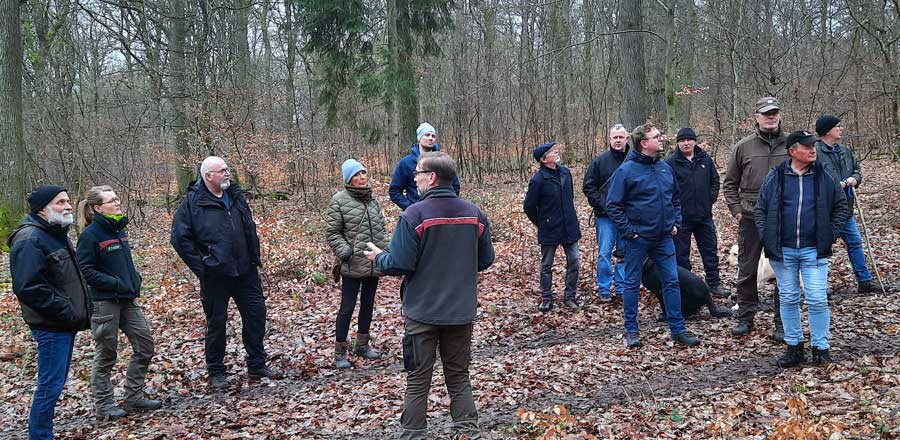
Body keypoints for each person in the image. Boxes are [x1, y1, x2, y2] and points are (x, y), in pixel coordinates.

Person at [365, 151, 495, 440]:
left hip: (422, 314)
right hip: (460, 312)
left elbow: (398, 263)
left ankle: (413, 435)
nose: (415, 180)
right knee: (459, 378)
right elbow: (486, 259)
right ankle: (469, 434)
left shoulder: (414, 215)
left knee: (418, 380)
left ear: (432, 177)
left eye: (418, 175)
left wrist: (379, 257)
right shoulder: (474, 214)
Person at [171, 156, 282, 389]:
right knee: (217, 323)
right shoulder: (193, 203)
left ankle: (257, 364)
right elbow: (180, 239)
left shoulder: (236, 196)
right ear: (208, 176)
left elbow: (248, 227)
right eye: (222, 171)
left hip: (245, 271)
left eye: (227, 169)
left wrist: (253, 256)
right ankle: (216, 371)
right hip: (215, 276)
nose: (227, 173)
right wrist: (203, 267)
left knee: (256, 314)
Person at [755, 130, 848, 367]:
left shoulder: (824, 175)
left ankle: (821, 348)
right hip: (783, 251)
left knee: (817, 299)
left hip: (813, 250)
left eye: (813, 146)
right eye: (806, 146)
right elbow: (761, 209)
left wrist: (830, 235)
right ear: (792, 151)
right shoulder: (776, 176)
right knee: (788, 298)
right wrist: (767, 236)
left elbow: (840, 206)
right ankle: (794, 347)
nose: (812, 150)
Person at [606, 124, 701, 348]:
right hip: (637, 240)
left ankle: (678, 329)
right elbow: (613, 205)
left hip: (664, 237)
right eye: (656, 137)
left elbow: (675, 199)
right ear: (643, 143)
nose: (661, 139)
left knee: (672, 282)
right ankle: (631, 330)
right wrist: (630, 232)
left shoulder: (664, 168)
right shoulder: (626, 171)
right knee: (631, 284)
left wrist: (675, 223)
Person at [7, 186, 91, 440]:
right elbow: (28, 287)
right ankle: (40, 436)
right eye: (60, 202)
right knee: (50, 386)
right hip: (51, 325)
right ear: (43, 208)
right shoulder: (30, 239)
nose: (67, 206)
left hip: (63, 323)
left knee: (54, 384)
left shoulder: (55, 233)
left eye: (68, 201)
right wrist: (65, 310)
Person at [75, 186, 161, 419]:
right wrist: (115, 283)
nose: (117, 203)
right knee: (106, 353)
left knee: (145, 346)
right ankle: (104, 406)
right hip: (104, 303)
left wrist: (134, 280)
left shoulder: (118, 229)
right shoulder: (90, 235)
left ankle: (134, 398)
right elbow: (86, 272)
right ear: (97, 208)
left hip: (127, 300)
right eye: (111, 200)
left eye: (117, 199)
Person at [723, 96, 790, 340]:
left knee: (784, 270)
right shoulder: (744, 146)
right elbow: (729, 183)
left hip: (783, 218)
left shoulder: (791, 145)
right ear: (757, 117)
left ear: (780, 115)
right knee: (748, 269)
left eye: (774, 112)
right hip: (750, 217)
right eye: (765, 113)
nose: (770, 117)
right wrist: (737, 210)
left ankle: (783, 321)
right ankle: (745, 316)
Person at [324, 159, 390, 369]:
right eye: (357, 174)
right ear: (348, 178)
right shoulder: (339, 200)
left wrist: (387, 252)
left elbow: (380, 230)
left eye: (363, 173)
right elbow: (332, 232)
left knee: (368, 305)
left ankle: (362, 345)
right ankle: (340, 353)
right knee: (347, 308)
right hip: (352, 264)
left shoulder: (372, 201)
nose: (362, 177)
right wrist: (345, 252)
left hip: (373, 263)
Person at [814, 115, 878, 293]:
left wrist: (854, 179)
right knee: (821, 248)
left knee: (855, 242)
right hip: (823, 211)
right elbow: (811, 179)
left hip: (845, 209)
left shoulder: (844, 151)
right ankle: (818, 287)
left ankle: (865, 281)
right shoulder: (814, 153)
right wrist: (834, 186)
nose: (841, 129)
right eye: (838, 126)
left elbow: (857, 170)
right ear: (827, 130)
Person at [666, 127, 729, 297]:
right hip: (681, 219)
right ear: (678, 143)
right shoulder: (671, 162)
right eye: (682, 140)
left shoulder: (705, 159)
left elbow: (715, 180)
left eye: (689, 140)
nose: (686, 143)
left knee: (710, 252)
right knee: (681, 256)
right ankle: (687, 288)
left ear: (695, 141)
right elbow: (666, 188)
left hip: (704, 216)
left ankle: (714, 284)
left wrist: (710, 199)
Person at [523, 142, 582, 312]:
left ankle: (570, 297)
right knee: (546, 265)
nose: (556, 153)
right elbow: (529, 207)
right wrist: (542, 223)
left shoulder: (566, 173)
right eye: (551, 152)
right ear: (543, 159)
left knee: (575, 261)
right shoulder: (538, 180)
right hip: (550, 230)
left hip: (569, 227)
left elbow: (570, 198)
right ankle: (546, 298)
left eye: (555, 151)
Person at [582, 124, 629, 302]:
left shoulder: (634, 160)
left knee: (625, 253)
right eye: (614, 137)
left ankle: (622, 288)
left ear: (627, 139)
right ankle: (604, 288)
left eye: (621, 137)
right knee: (604, 253)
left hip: (627, 216)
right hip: (605, 217)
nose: (618, 140)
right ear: (609, 140)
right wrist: (604, 205)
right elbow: (588, 186)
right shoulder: (599, 161)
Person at [388, 122, 460, 210]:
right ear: (419, 138)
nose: (431, 138)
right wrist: (410, 208)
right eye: (427, 135)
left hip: (442, 212)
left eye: (433, 136)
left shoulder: (442, 161)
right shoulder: (406, 163)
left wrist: (447, 204)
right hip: (417, 216)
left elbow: (455, 186)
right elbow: (394, 191)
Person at [642, 259, 732, 320]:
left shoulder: (649, 275)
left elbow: (660, 294)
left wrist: (666, 314)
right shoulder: (657, 265)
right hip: (700, 294)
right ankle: (685, 311)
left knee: (666, 291)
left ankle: (683, 313)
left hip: (696, 296)